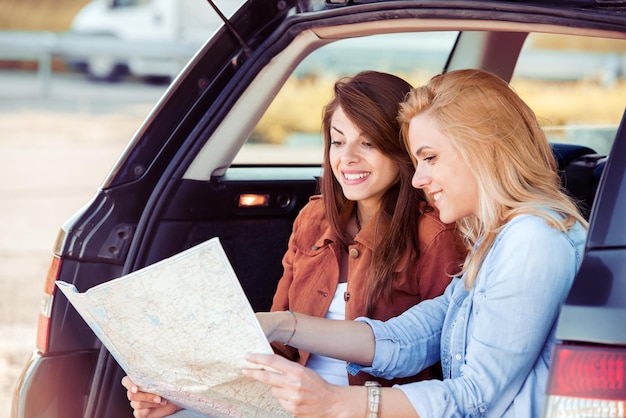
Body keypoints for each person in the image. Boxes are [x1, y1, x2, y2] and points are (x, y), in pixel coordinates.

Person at [243, 68, 589, 418]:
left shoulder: (533, 240)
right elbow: (407, 339)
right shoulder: (495, 239)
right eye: (417, 160)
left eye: (430, 157)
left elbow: (477, 396)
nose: (419, 178)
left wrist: (337, 403)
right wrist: (281, 324)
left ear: (484, 150)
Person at [122, 70, 465, 417]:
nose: (347, 158)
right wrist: (186, 395)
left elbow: (440, 360)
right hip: (282, 405)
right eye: (338, 141)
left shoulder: (435, 234)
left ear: (402, 149)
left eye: (368, 143)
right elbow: (278, 347)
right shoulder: (314, 219)